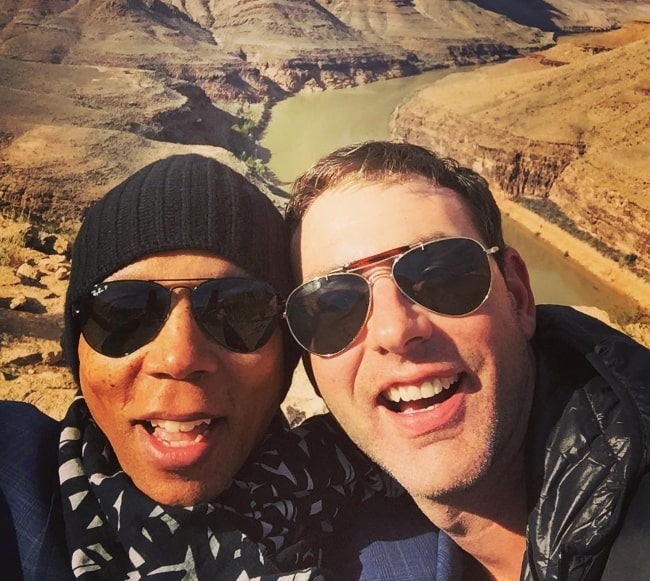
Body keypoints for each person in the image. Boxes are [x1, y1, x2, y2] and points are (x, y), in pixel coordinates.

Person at [0, 153, 441, 580]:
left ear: (287, 354)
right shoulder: (16, 484)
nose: (179, 358)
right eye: (124, 314)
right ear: (76, 349)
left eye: (237, 311)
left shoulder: (412, 501)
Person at [284, 140, 650, 580]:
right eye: (332, 308)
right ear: (310, 364)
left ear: (518, 296)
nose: (394, 331)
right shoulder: (335, 532)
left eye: (441, 275)